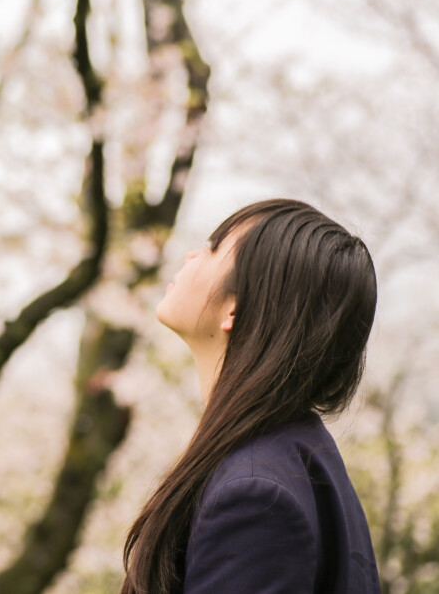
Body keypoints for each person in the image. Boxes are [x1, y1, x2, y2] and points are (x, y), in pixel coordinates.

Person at [121, 199, 381, 594]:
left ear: (234, 308)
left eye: (213, 246)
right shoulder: (297, 455)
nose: (191, 254)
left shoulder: (256, 495)